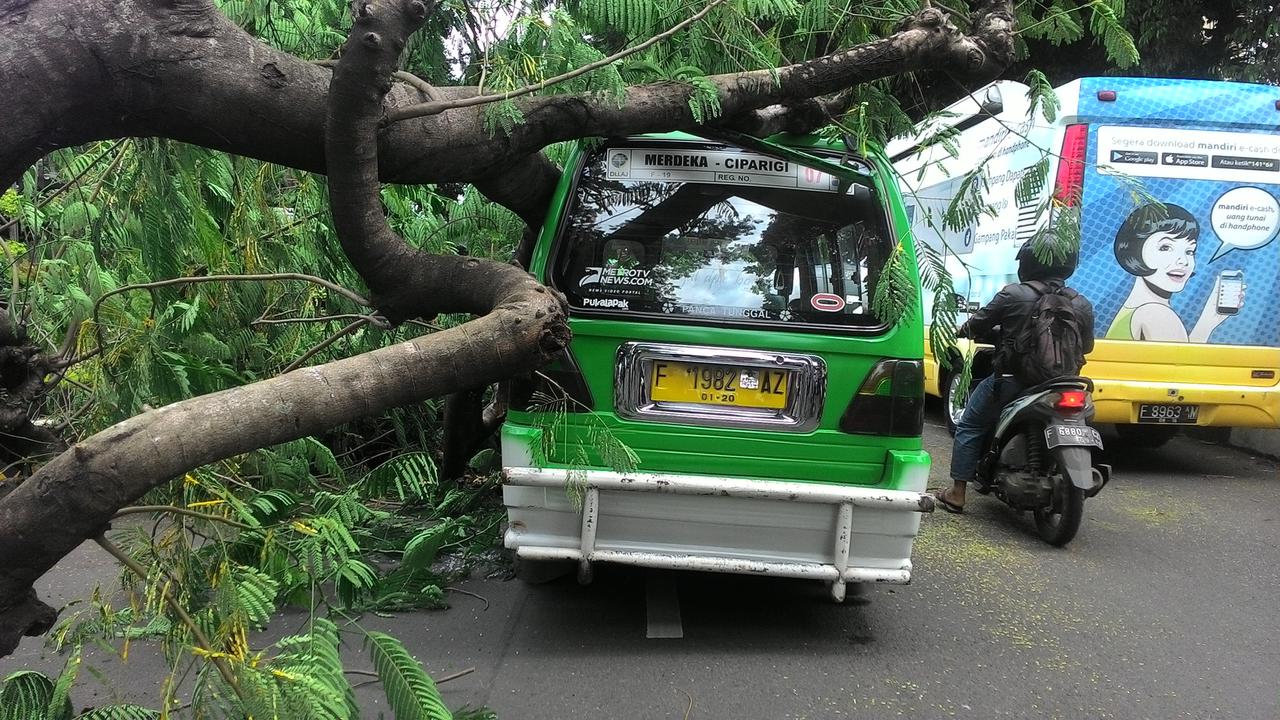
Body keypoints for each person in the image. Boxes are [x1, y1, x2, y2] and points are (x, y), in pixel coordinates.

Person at [933, 240, 1096, 513]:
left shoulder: (1013, 294)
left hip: (1012, 380)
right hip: (1062, 384)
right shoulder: (1081, 303)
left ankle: (957, 493)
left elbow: (977, 324)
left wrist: (965, 329)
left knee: (970, 425)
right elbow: (1087, 346)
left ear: (1028, 263)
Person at [1106, 203, 1242, 342]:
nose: (1183, 261)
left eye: (1189, 251)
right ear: (1134, 250)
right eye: (1165, 247)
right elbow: (1186, 363)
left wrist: (1209, 320)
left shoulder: (1135, 308)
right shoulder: (1156, 313)